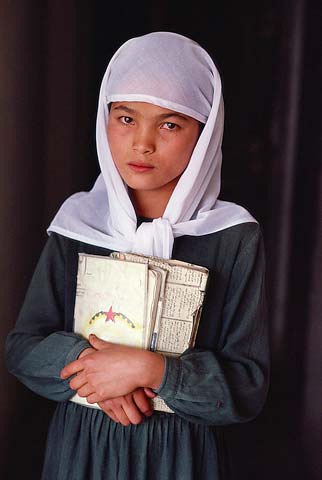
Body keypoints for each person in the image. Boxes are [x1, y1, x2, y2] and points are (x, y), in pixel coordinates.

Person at [5, 31, 270, 479]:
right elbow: (22, 348)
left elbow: (246, 385)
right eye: (126, 118)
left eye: (169, 124)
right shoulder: (78, 224)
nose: (142, 143)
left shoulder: (232, 236)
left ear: (205, 137)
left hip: (181, 457)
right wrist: (99, 377)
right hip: (81, 451)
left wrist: (150, 369)